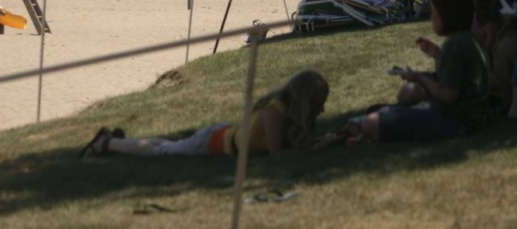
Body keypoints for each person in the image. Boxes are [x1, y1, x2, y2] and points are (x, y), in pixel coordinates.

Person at [345, 0, 490, 144]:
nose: (431, 19)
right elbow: (453, 78)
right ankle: (362, 134)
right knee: (382, 112)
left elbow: (447, 95)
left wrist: (419, 77)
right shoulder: (469, 39)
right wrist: (437, 55)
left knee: (370, 121)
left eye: (434, 14)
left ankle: (356, 134)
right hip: (470, 116)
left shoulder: (454, 45)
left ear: (447, 17)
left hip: (456, 121)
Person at [78, 70, 331, 158]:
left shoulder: (284, 109)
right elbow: (277, 154)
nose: (321, 109)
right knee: (162, 151)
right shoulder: (275, 110)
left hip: (221, 135)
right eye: (318, 103)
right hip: (214, 142)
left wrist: (323, 142)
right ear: (304, 99)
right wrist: (319, 147)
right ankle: (107, 143)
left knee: (167, 146)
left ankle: (114, 141)